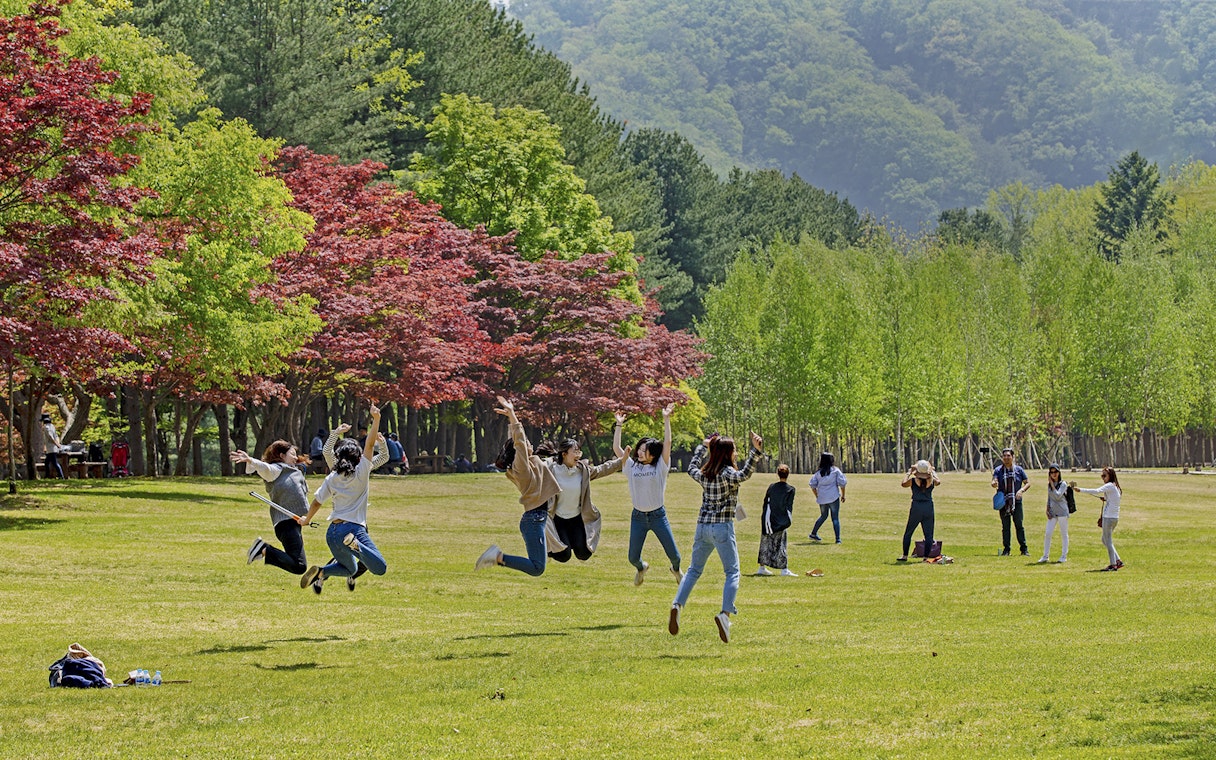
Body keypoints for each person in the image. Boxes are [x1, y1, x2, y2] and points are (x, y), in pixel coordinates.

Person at [670, 430, 763, 644]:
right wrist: (755, 453)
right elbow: (744, 475)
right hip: (722, 527)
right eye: (735, 450)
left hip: (702, 527)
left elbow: (691, 468)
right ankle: (725, 614)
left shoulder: (705, 473)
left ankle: (677, 605)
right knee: (732, 572)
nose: (736, 453)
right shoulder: (727, 472)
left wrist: (703, 447)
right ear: (728, 453)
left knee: (693, 570)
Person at [298, 404, 390, 594]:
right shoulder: (362, 470)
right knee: (380, 568)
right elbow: (371, 446)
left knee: (351, 568)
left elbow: (316, 502)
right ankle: (355, 545)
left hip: (333, 533)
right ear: (358, 457)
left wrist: (306, 519)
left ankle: (322, 572)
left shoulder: (332, 475)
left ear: (338, 457)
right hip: (353, 528)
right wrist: (376, 419)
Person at [474, 396, 561, 576]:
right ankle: (497, 556)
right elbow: (519, 441)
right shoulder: (522, 468)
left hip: (538, 518)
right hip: (534, 519)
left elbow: (517, 440)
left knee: (539, 565)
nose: (529, 443)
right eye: (525, 443)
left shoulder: (527, 462)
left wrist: (509, 419)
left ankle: (498, 557)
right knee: (537, 568)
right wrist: (513, 414)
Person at [612, 405, 683, 586]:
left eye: (645, 450)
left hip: (658, 516)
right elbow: (616, 448)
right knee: (632, 557)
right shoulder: (631, 466)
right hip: (638, 517)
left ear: (653, 454)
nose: (640, 452)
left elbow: (667, 443)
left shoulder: (660, 467)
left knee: (675, 556)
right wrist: (618, 425)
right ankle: (641, 567)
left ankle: (676, 570)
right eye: (640, 449)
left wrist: (666, 419)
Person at [231, 441, 311, 576]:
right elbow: (265, 468)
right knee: (299, 566)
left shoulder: (293, 471)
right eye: (292, 454)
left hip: (293, 523)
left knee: (299, 565)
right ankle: (264, 549)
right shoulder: (276, 470)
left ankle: (264, 550)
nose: (296, 457)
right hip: (285, 524)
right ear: (281, 455)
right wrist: (250, 460)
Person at [544, 430, 622, 564]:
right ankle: (550, 550)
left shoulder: (583, 470)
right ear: (564, 454)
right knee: (564, 556)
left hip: (576, 518)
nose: (578, 455)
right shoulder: (552, 470)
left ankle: (569, 541)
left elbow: (602, 469)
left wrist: (622, 461)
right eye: (574, 451)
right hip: (558, 519)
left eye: (579, 452)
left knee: (584, 554)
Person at [1074, 467, 1123, 571]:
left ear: (1111, 476)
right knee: (1104, 539)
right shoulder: (1116, 487)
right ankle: (1118, 560)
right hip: (1114, 518)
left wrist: (1080, 490)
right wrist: (1105, 499)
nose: (1103, 478)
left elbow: (1096, 490)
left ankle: (1113, 564)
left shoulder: (1109, 485)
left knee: (1108, 541)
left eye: (1104, 475)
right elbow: (1113, 499)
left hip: (1109, 517)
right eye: (1102, 476)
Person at [757, 464, 796, 576]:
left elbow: (766, 502)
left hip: (768, 518)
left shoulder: (771, 487)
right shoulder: (790, 489)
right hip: (781, 519)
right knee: (781, 544)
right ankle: (784, 569)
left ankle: (762, 567)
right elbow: (789, 506)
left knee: (765, 543)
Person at [897, 460, 939, 562]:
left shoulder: (913, 480)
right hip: (928, 507)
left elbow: (903, 484)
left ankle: (905, 555)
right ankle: (925, 557)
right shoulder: (931, 480)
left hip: (916, 506)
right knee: (929, 534)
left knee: (908, 532)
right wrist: (932, 471)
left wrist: (909, 473)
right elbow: (938, 481)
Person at [991, 447, 1030, 556]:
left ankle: (1024, 549)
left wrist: (1021, 490)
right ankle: (1006, 549)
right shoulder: (998, 470)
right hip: (1004, 502)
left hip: (1016, 502)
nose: (1006, 458)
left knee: (1019, 525)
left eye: (1008, 456)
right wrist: (994, 483)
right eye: (1004, 456)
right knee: (1006, 527)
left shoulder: (1019, 470)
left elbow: (1027, 483)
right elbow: (994, 480)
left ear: (1013, 457)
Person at [808, 451, 847, 543]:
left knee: (823, 516)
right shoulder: (835, 471)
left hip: (822, 498)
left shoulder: (818, 473)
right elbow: (842, 484)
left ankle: (813, 533)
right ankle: (837, 539)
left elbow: (812, 485)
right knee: (835, 518)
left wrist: (817, 495)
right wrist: (843, 495)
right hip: (833, 497)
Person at [1039, 464, 1071, 563]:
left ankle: (1063, 556)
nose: (1054, 474)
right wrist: (1047, 509)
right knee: (1048, 533)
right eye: (1051, 472)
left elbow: (1057, 496)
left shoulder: (1063, 484)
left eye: (1055, 472)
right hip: (1053, 512)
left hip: (1062, 512)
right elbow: (1050, 497)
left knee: (1063, 533)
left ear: (1059, 473)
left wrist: (1052, 485)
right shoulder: (1050, 485)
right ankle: (1045, 556)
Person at [39, 413, 65, 479]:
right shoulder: (52, 426)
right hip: (51, 448)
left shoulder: (46, 427)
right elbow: (56, 436)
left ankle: (61, 475)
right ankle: (47, 475)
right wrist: (57, 443)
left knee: (54, 463)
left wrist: (57, 444)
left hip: (51, 448)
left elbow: (50, 437)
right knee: (47, 462)